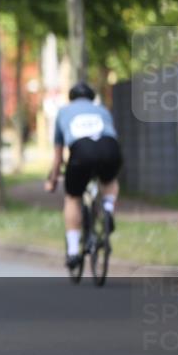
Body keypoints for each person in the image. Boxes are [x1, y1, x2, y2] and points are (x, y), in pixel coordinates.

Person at [45, 81, 122, 270]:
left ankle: (72, 252)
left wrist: (53, 179)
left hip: (82, 152)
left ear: (71, 98)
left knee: (73, 197)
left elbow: (58, 157)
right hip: (109, 148)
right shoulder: (102, 110)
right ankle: (108, 209)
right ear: (91, 98)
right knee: (109, 180)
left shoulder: (64, 112)